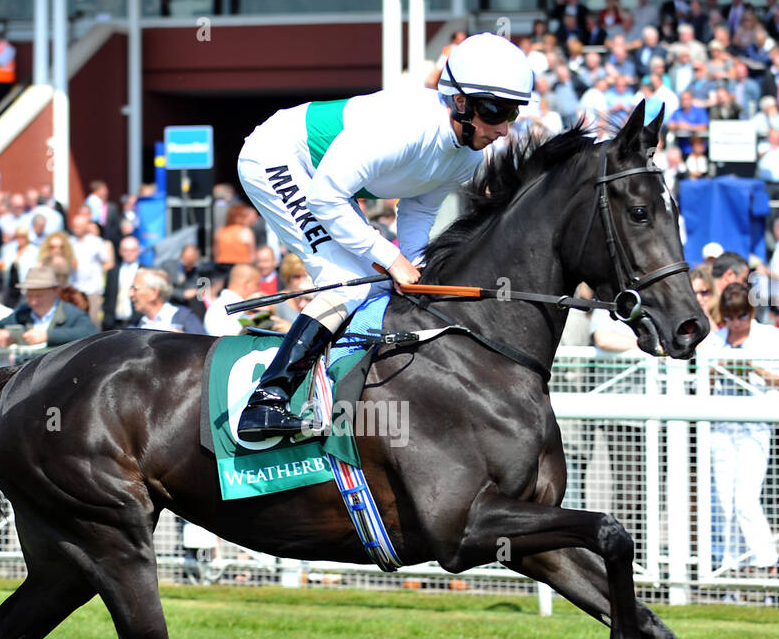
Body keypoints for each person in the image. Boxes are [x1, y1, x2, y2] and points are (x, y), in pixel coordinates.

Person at [233, 32, 534, 441]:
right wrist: (392, 259)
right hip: (278, 157)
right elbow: (325, 196)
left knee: (378, 286)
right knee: (346, 286)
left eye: (513, 113)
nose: (504, 127)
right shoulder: (408, 128)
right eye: (497, 111)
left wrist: (416, 264)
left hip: (328, 183)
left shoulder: (467, 156)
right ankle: (266, 400)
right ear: (461, 103)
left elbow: (418, 208)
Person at [700, 283, 779, 588]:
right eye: (730, 317)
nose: (736, 323)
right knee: (724, 500)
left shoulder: (770, 337)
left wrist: (754, 369)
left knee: (745, 500)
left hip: (755, 425)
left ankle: (766, 563)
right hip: (722, 427)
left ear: (751, 313)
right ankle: (731, 567)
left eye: (742, 316)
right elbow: (700, 387)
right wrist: (717, 370)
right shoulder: (714, 341)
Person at [0, 264, 97, 349]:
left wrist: (47, 336)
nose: (33, 302)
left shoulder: (72, 314)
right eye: (30, 296)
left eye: (39, 296)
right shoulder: (22, 314)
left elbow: (91, 333)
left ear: (54, 291)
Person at [126, 269, 206, 335]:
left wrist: (184, 340)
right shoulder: (136, 325)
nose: (131, 294)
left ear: (153, 293)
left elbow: (204, 348)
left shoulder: (185, 318)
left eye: (135, 289)